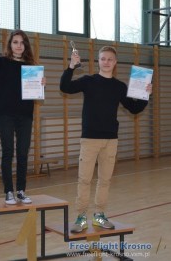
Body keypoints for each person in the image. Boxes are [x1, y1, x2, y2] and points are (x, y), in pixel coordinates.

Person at [60, 46, 152, 233]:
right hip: (89, 139)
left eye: (110, 59)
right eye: (103, 59)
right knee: (84, 179)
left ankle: (99, 215)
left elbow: (134, 109)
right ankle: (81, 217)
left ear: (115, 62)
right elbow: (65, 87)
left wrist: (145, 95)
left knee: (105, 180)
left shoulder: (119, 87)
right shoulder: (88, 81)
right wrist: (70, 67)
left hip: (110, 140)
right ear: (99, 61)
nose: (106, 62)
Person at [0, 27, 45, 205]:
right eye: (15, 42)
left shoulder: (31, 68)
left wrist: (41, 84)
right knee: (8, 151)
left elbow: (34, 92)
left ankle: (21, 191)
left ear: (26, 46)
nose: (19, 46)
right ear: (10, 44)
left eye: (22, 43)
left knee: (23, 153)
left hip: (25, 114)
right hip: (5, 113)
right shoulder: (2, 62)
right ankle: (8, 191)